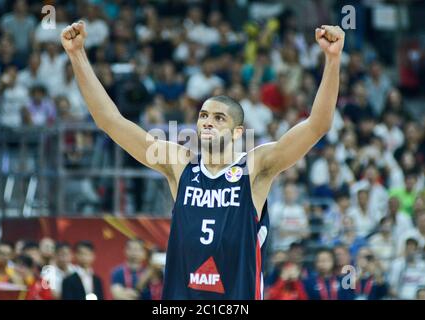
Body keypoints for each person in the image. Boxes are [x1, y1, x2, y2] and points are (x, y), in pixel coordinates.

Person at [61, 21, 345, 299]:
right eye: (203, 116)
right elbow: (110, 122)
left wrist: (332, 60)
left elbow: (317, 125)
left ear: (237, 133)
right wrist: (77, 55)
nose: (207, 123)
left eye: (218, 118)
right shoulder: (180, 164)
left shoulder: (255, 167)